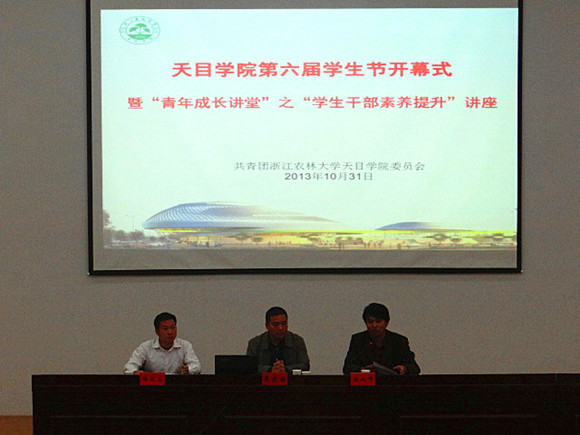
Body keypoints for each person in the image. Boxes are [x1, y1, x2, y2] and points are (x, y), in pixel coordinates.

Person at [342, 303, 420, 375]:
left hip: (392, 383)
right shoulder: (358, 340)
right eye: (370, 321)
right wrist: (363, 370)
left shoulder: (399, 341)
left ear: (386, 322)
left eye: (378, 321)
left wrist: (404, 369)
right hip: (367, 383)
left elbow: (414, 368)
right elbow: (347, 367)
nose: (374, 325)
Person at [123, 312, 201, 375]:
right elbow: (129, 367)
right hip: (152, 386)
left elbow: (197, 366)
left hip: (177, 386)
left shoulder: (185, 346)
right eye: (165, 329)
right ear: (157, 331)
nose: (170, 332)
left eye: (173, 328)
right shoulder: (146, 347)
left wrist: (188, 369)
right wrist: (135, 372)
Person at [246, 306, 310, 373]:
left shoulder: (297, 341)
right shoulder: (255, 343)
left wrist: (286, 369)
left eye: (284, 324)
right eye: (275, 324)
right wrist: (270, 370)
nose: (280, 328)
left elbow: (305, 365)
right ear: (267, 326)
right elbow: (249, 367)